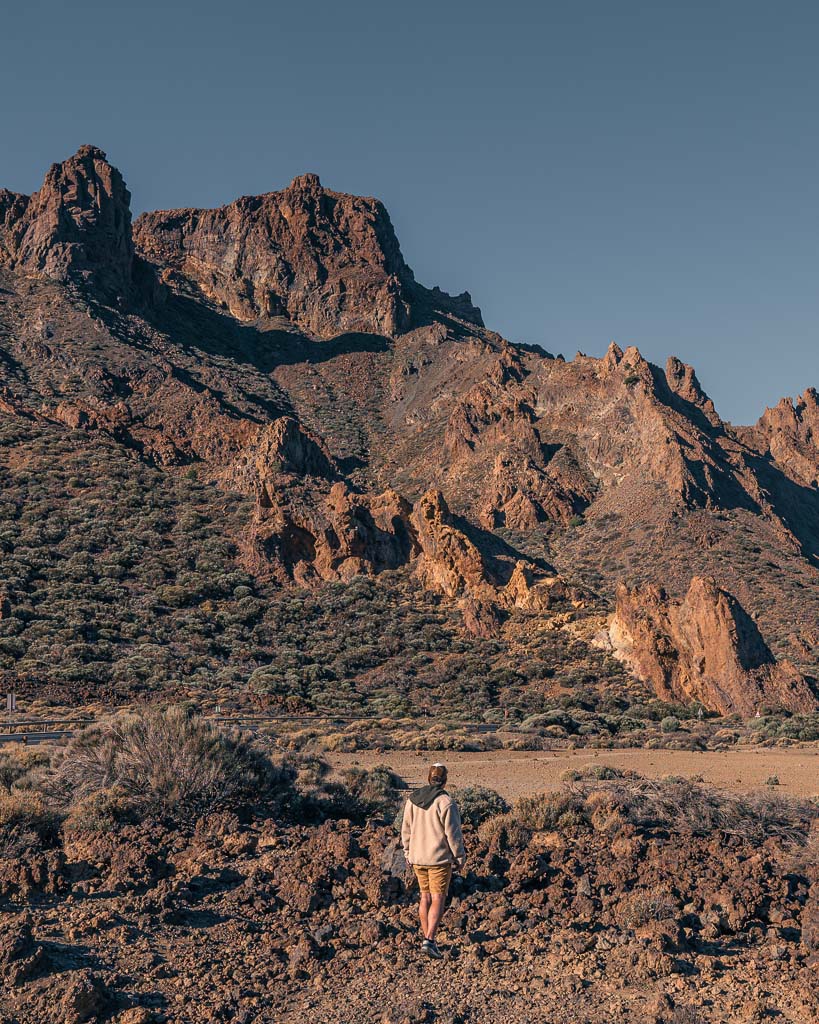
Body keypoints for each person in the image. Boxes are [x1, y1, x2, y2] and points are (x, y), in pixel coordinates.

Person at [401, 762, 466, 959]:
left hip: (417, 858)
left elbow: (406, 829)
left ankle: (428, 940)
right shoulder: (445, 802)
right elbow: (453, 833)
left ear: (428, 778)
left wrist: (407, 852)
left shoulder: (413, 799)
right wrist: (459, 856)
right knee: (438, 898)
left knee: (425, 897)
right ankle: (429, 940)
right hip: (438, 859)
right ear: (445, 780)